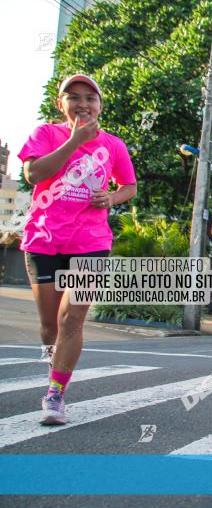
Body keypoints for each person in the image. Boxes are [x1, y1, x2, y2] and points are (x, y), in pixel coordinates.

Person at [19, 74, 137, 425]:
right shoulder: (45, 134)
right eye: (74, 97)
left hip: (91, 243)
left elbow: (128, 185)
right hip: (43, 240)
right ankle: (53, 355)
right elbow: (34, 174)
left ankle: (55, 393)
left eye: (91, 98)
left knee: (72, 319)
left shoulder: (113, 145)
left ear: (100, 105)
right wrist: (73, 142)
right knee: (49, 326)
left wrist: (111, 197)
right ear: (61, 104)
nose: (83, 103)